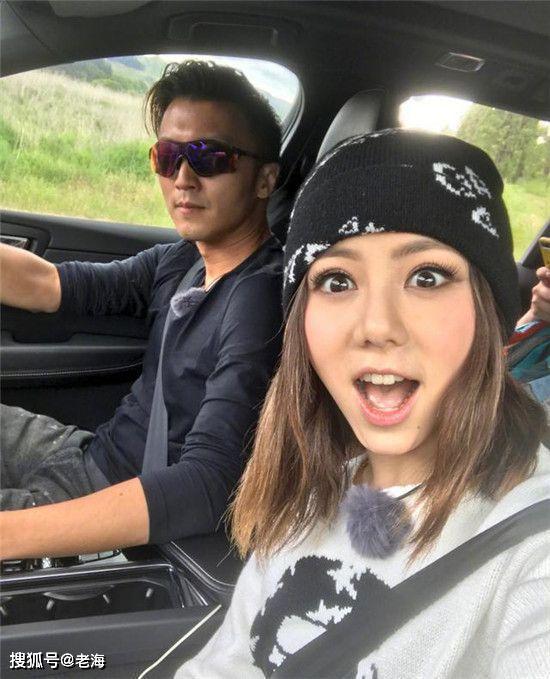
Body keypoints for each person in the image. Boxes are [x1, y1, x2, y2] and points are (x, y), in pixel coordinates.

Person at [176, 130, 549, 679]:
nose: (376, 326)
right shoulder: (307, 492)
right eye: (336, 280)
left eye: (426, 276)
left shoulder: (532, 537)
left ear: (489, 312)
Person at [0, 61, 283, 560]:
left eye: (209, 157)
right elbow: (51, 285)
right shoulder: (181, 260)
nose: (183, 178)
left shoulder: (260, 300)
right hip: (89, 452)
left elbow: (209, 481)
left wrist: (9, 535)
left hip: (114, 507)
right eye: (168, 156)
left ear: (264, 180)